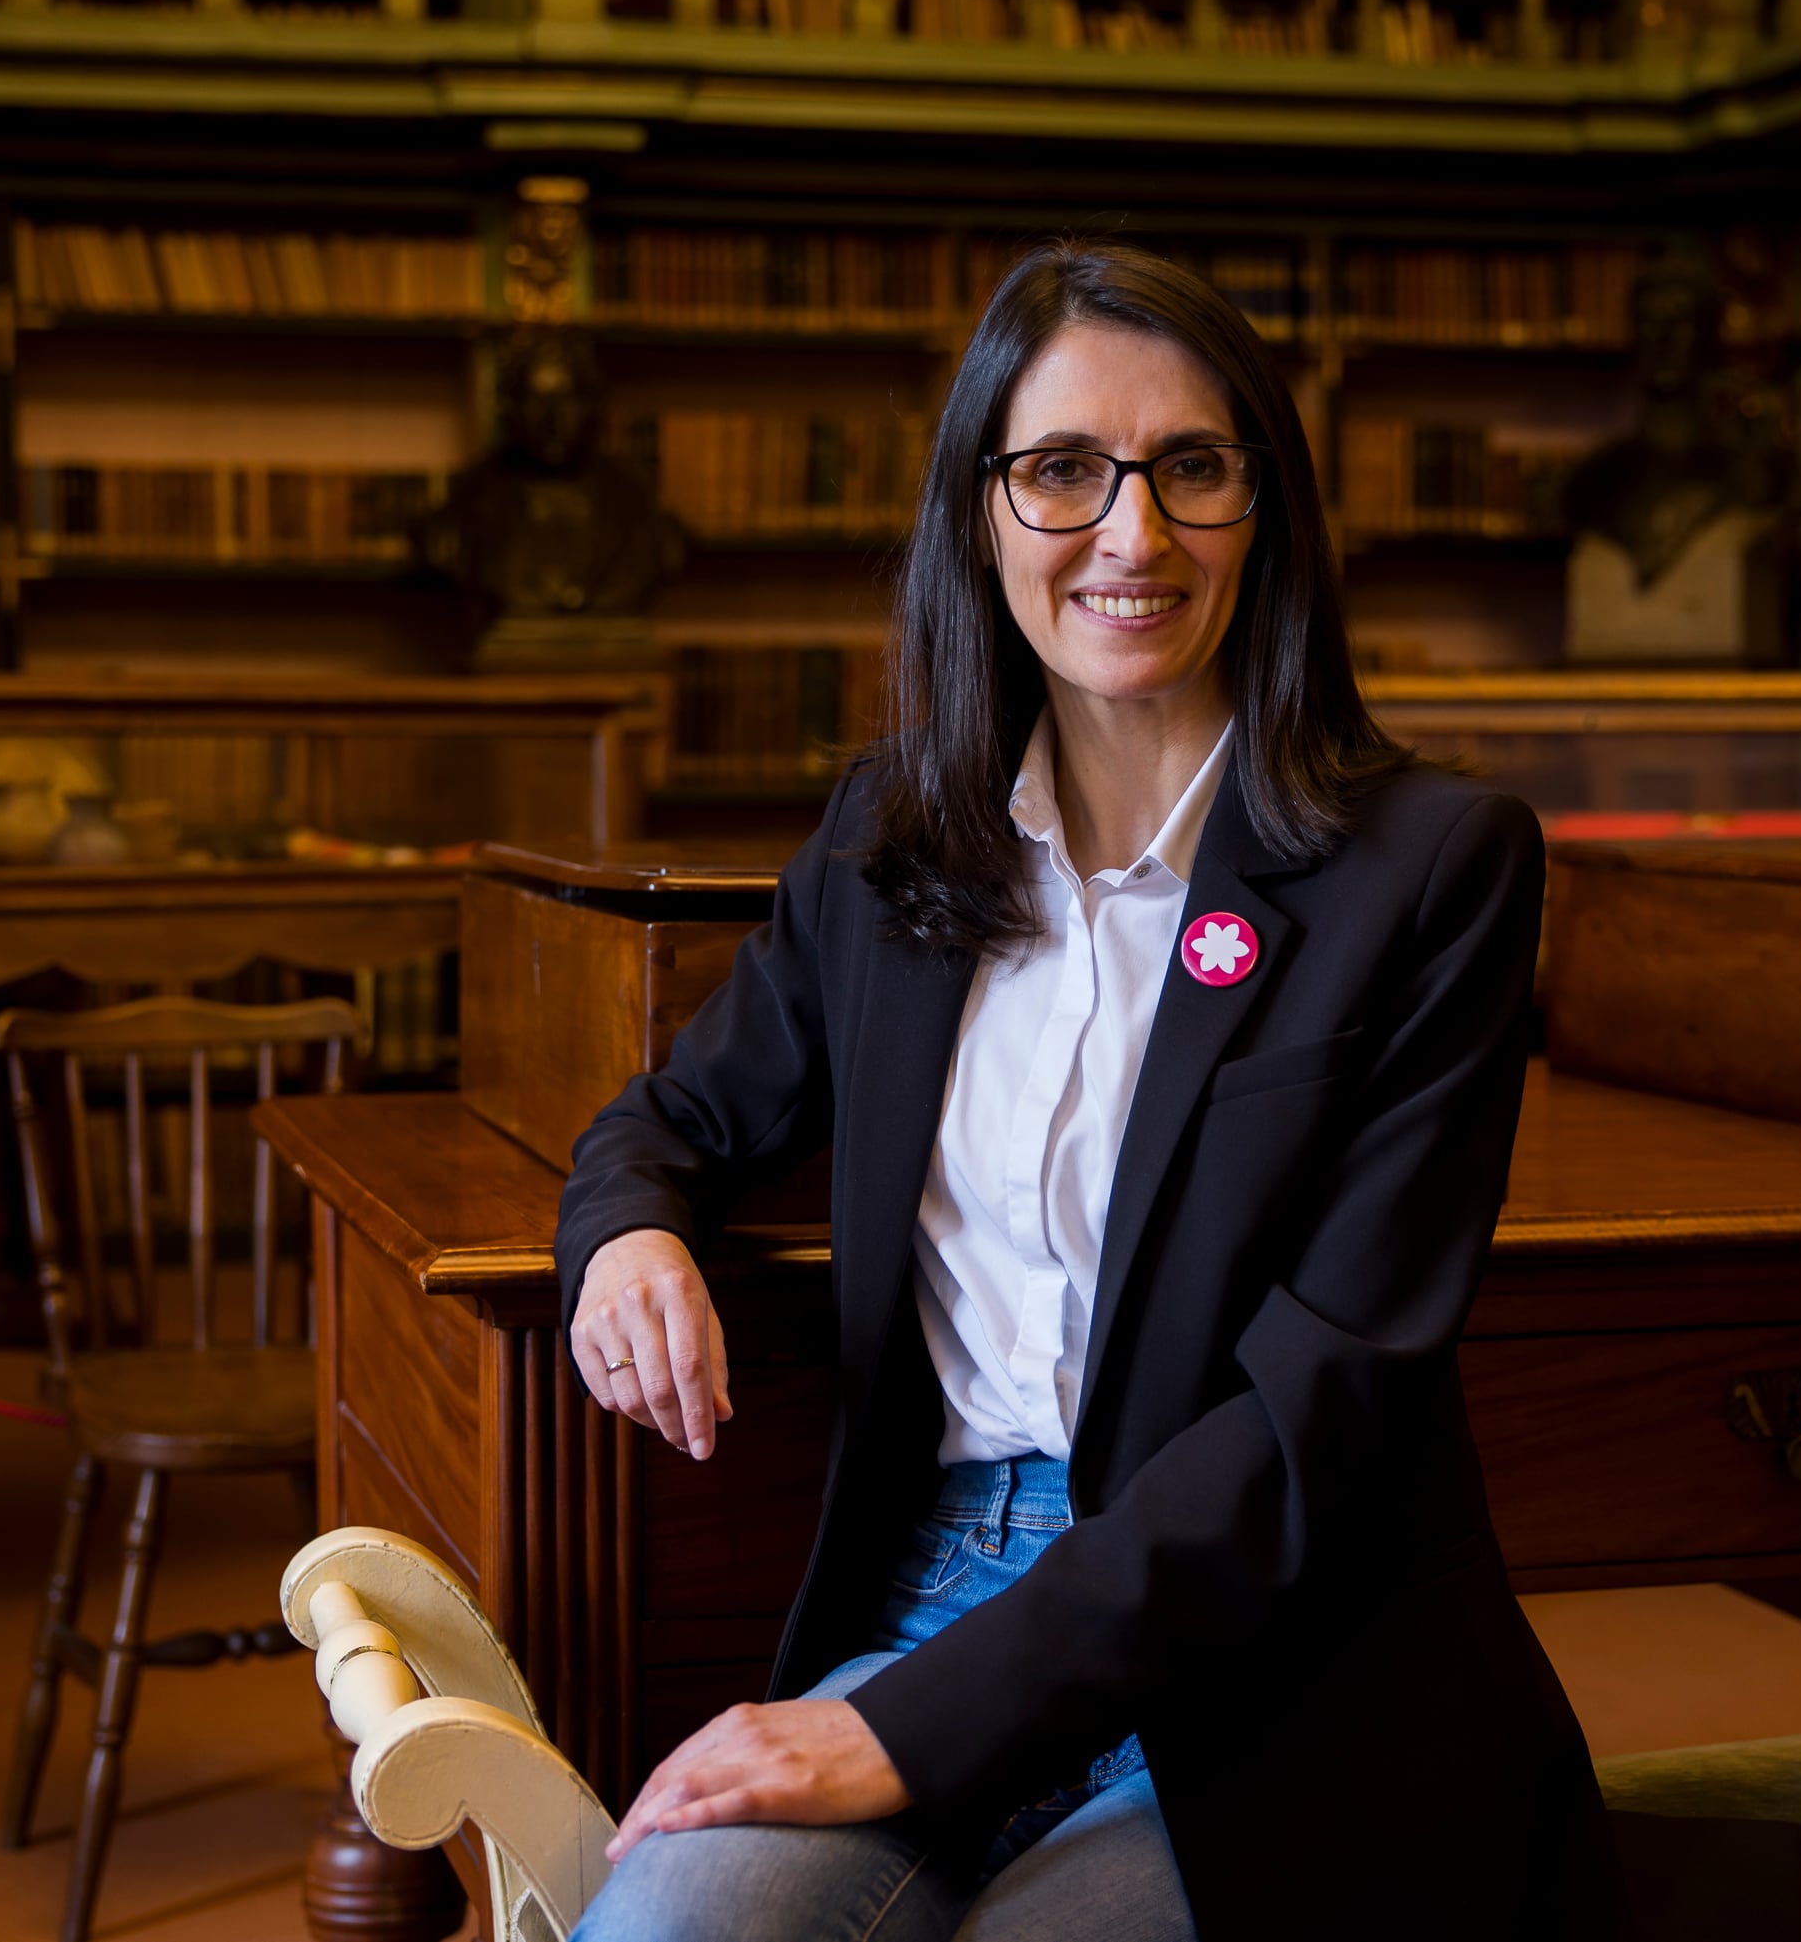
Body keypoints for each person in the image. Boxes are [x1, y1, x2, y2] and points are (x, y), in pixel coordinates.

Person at [554, 239, 1628, 1942]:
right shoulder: (892, 837)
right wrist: (624, 1235)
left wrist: (899, 1732)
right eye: (1064, 470)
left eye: (1189, 468)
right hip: (933, 1586)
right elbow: (670, 1120)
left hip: (1282, 1650)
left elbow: (1317, 1421)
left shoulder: (1430, 870)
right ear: (982, 512)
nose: (1131, 534)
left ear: (1260, 506)